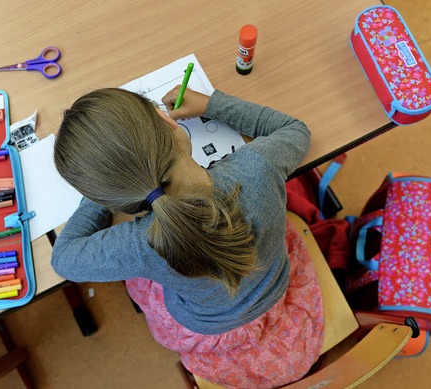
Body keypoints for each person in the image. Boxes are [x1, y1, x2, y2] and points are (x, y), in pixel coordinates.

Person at [51, 87, 324, 388]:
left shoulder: (137, 246)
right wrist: (212, 104)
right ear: (169, 124)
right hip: (272, 285)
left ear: (116, 199)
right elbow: (296, 130)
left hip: (207, 324)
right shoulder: (259, 167)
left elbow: (63, 259)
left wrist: (109, 186)